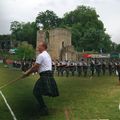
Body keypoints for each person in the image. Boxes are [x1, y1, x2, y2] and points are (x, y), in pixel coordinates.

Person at [22, 41, 59, 116]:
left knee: (36, 91)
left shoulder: (41, 55)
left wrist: (27, 73)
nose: (37, 48)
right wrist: (29, 73)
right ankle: (40, 106)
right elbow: (36, 68)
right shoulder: (47, 55)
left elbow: (35, 67)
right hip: (47, 75)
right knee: (39, 91)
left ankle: (43, 108)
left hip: (45, 75)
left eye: (39, 46)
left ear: (43, 47)